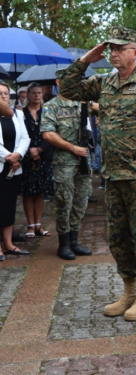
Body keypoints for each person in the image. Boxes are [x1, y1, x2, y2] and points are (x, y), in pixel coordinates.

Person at [59, 26, 136, 321]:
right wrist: (87, 58)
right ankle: (128, 290)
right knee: (118, 238)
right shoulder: (104, 83)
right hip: (113, 176)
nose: (113, 53)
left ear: (134, 52)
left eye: (119, 48)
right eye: (110, 48)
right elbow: (66, 88)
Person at [41, 69, 93, 260]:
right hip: (64, 162)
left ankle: (74, 242)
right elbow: (48, 134)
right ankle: (63, 245)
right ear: (58, 82)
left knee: (81, 202)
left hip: (84, 161)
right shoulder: (51, 107)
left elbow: (104, 109)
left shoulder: (82, 104)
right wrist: (72, 148)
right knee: (65, 202)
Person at [19, 82, 54, 238]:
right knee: (28, 192)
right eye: (33, 93)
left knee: (40, 192)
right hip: (26, 157)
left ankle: (39, 225)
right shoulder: (21, 113)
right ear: (28, 94)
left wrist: (40, 149)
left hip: (43, 156)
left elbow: (53, 133)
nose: (36, 95)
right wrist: (29, 152)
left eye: (39, 92)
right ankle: (30, 226)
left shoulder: (47, 112)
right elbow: (19, 135)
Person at [0, 81, 30, 259]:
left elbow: (25, 138)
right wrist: (8, 157)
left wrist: (18, 155)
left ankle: (9, 244)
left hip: (14, 167)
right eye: (0, 93)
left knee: (10, 205)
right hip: (3, 163)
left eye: (6, 93)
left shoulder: (17, 113)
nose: (4, 96)